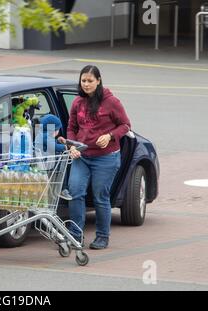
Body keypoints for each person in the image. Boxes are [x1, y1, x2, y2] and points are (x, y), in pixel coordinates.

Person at [67, 65, 131, 250]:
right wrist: (72, 145)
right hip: (82, 156)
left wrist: (110, 136)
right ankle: (75, 235)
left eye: (90, 81)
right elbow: (72, 127)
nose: (86, 84)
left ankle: (102, 236)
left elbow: (125, 125)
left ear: (98, 81)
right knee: (75, 192)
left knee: (100, 197)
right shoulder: (77, 102)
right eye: (83, 80)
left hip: (106, 157)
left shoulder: (111, 102)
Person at [34, 114, 72, 200]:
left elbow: (50, 143)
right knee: (62, 164)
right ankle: (61, 189)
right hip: (46, 164)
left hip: (43, 162)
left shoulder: (42, 134)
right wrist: (65, 147)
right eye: (57, 129)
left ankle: (58, 189)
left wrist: (57, 140)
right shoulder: (45, 137)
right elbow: (53, 147)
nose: (58, 131)